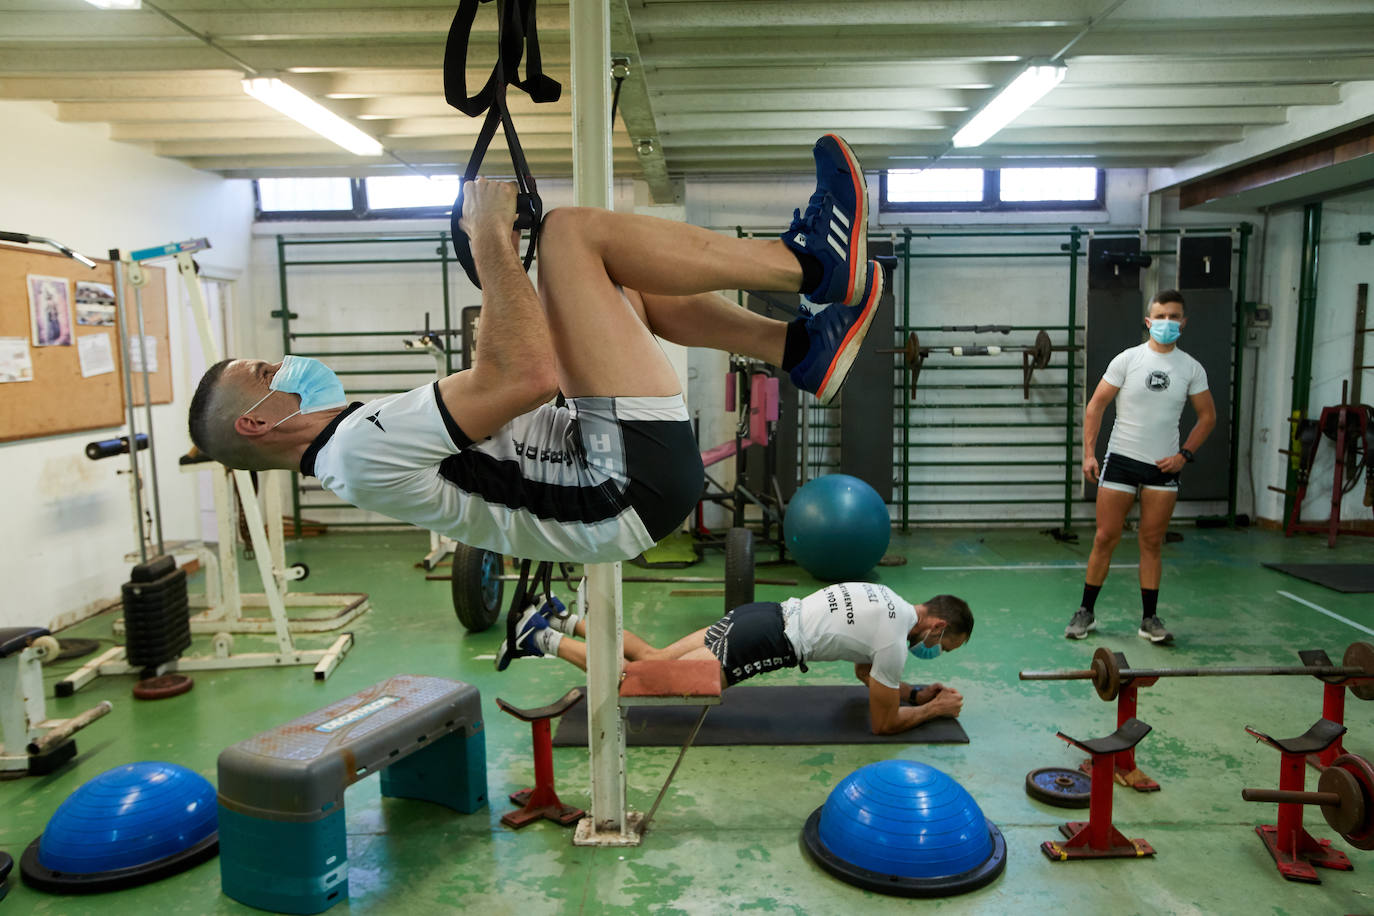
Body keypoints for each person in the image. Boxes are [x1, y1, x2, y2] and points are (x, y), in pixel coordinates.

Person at [187, 134, 882, 564]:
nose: (284, 364)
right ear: (255, 422)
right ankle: (809, 266)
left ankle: (797, 347)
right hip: (618, 487)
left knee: (614, 281)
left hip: (610, 472)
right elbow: (524, 377)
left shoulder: (351, 439)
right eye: (265, 371)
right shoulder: (358, 448)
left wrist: (533, 287)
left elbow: (516, 379)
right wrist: (491, 241)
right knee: (572, 236)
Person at [497, 581, 972, 736]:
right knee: (642, 681)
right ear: (936, 626)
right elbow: (882, 725)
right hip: (764, 643)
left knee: (656, 655)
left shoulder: (886, 597)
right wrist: (933, 709)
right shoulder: (894, 638)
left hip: (761, 615)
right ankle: (538, 638)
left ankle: (562, 618)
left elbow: (865, 672)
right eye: (940, 646)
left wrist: (913, 691)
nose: (932, 653)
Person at [1066, 289, 1216, 644]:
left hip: (1162, 469)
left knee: (1151, 542)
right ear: (1149, 321)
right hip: (1120, 461)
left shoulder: (1191, 368)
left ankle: (1149, 619)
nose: (1167, 322)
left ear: (1184, 322)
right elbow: (1095, 407)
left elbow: (1207, 417)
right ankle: (1085, 612)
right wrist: (1089, 454)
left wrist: (1184, 455)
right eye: (1161, 316)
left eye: (1174, 316)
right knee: (1105, 538)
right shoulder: (1128, 360)